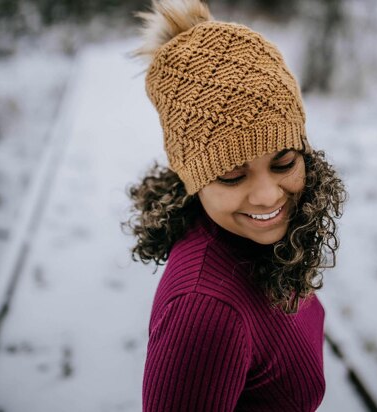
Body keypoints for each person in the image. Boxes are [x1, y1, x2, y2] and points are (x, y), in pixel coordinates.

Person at [123, 0, 346, 410]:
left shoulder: (272, 245)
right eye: (231, 175)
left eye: (283, 163)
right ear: (192, 179)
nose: (267, 195)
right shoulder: (204, 311)